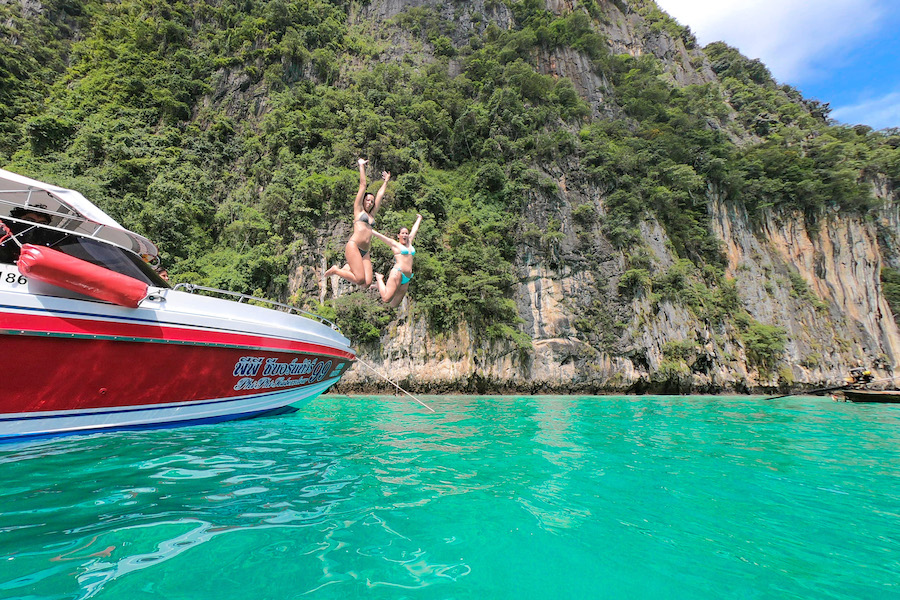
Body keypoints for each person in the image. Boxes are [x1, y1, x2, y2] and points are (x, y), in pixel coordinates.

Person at [325, 159, 389, 287]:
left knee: (367, 283)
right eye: (367, 200)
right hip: (354, 246)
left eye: (372, 201)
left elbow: (380, 196)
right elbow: (363, 185)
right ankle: (336, 270)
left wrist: (386, 181)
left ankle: (348, 266)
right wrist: (361, 166)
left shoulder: (372, 215)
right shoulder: (358, 210)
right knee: (359, 279)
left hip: (365, 251)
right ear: (363, 200)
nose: (370, 203)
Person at [372, 214, 423, 307]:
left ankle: (381, 286)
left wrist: (419, 219)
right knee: (386, 299)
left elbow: (414, 230)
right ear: (398, 235)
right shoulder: (395, 245)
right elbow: (381, 236)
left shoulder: (409, 242)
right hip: (398, 273)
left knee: (394, 304)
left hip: (407, 278)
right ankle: (379, 279)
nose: (405, 235)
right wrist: (369, 230)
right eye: (402, 233)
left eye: (406, 233)